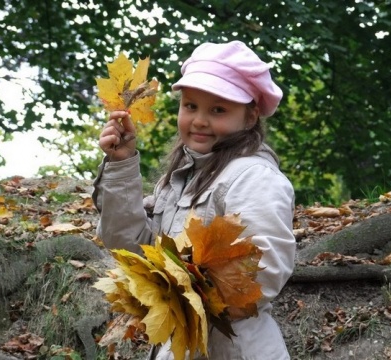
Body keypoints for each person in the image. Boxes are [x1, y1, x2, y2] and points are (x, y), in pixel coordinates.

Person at [93, 40, 296, 360]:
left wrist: (178, 289)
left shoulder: (253, 177)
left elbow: (264, 271)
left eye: (218, 109)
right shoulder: (179, 179)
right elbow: (130, 247)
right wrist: (121, 164)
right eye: (190, 106)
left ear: (251, 114)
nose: (200, 119)